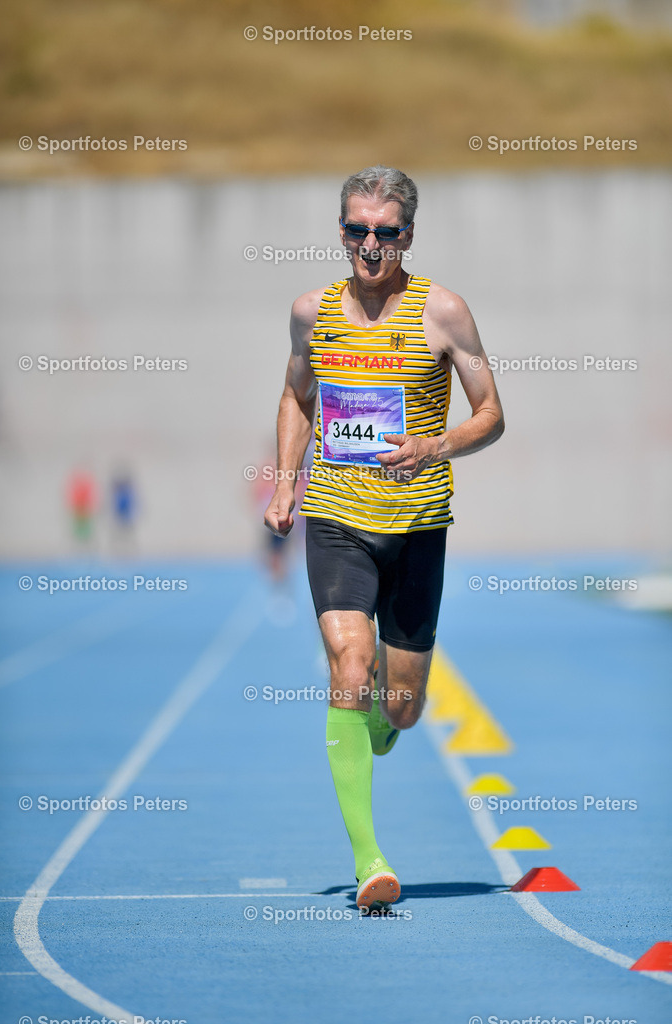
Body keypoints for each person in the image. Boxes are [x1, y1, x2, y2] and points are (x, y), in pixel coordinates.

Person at [264, 166, 504, 910]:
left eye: (386, 232)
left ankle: (383, 713)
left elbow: (490, 412)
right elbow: (296, 395)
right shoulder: (313, 311)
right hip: (337, 517)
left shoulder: (444, 312)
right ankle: (370, 863)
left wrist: (435, 447)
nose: (371, 246)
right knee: (347, 661)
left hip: (417, 525)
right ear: (341, 231)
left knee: (399, 707)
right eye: (357, 230)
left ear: (408, 234)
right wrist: (284, 479)